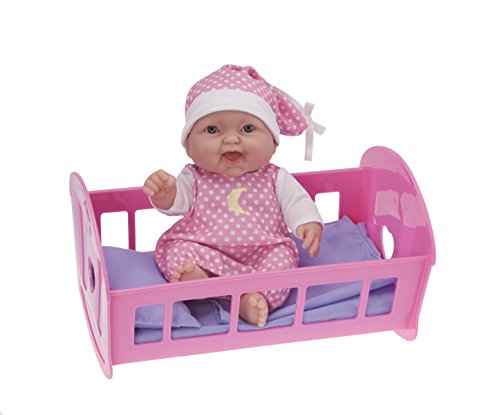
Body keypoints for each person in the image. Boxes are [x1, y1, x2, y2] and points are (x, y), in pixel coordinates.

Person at [143, 64, 325, 327]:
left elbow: (298, 202)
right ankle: (201, 280)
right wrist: (165, 193)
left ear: (273, 143)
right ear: (189, 146)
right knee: (178, 251)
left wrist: (307, 222)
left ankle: (254, 298)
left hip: (263, 253)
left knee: (284, 260)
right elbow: (176, 202)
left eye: (248, 129)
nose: (231, 140)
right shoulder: (194, 177)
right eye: (212, 130)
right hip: (206, 250)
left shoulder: (275, 177)